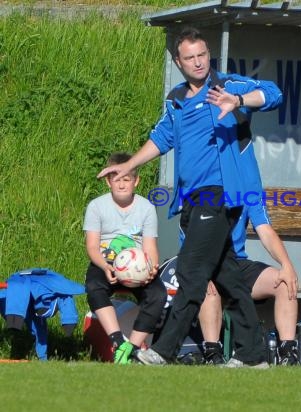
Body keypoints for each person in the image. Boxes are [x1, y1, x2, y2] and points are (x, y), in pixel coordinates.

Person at [97, 27, 283, 368]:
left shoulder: (228, 86)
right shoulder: (176, 99)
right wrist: (127, 166)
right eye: (190, 57)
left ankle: (162, 350)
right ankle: (255, 355)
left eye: (202, 55)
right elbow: (162, 138)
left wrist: (239, 102)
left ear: (209, 54)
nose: (198, 62)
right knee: (229, 277)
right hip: (191, 200)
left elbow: (273, 94)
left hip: (221, 196)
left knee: (192, 273)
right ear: (178, 61)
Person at [198, 191, 300, 366]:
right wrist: (202, 272)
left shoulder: (248, 189)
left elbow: (265, 231)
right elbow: (190, 239)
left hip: (238, 264)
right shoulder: (204, 189)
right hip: (209, 265)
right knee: (208, 289)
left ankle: (287, 354)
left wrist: (287, 265)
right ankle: (212, 354)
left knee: (284, 282)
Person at [84, 152, 166, 364]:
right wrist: (104, 266)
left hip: (137, 268)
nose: (121, 185)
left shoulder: (146, 208)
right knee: (93, 286)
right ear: (109, 182)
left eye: (126, 179)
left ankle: (132, 348)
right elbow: (92, 246)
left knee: (158, 294)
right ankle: (118, 340)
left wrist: (152, 268)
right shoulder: (96, 206)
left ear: (136, 181)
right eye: (117, 180)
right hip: (106, 264)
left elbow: (150, 246)